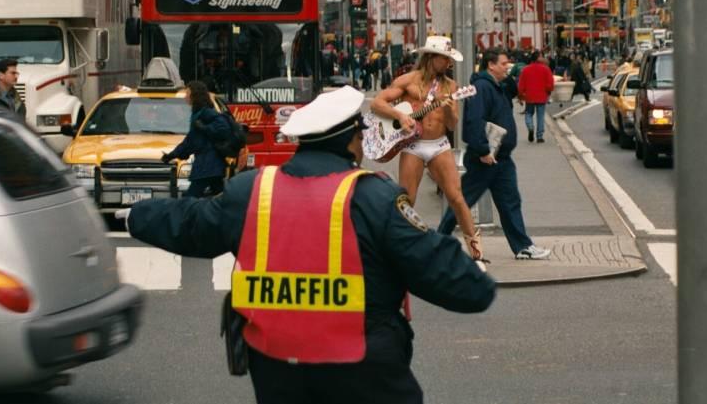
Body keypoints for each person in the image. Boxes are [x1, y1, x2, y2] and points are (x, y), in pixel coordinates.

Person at [121, 86, 495, 403]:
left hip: (275, 370)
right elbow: (459, 284)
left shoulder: (253, 191)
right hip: (365, 372)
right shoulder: (372, 197)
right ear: (352, 138)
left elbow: (188, 224)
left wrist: (134, 214)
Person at [370, 36, 483, 260]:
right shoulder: (408, 80)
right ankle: (399, 248)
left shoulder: (451, 86)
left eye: (450, 60)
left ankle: (476, 251)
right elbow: (377, 103)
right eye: (445, 59)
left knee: (456, 197)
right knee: (406, 201)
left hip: (439, 145)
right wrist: (400, 116)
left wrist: (450, 110)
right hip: (412, 144)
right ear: (431, 57)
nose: (449, 64)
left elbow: (452, 124)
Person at [438, 48, 551, 260]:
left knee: (510, 201)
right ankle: (437, 240)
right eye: (503, 64)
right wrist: (482, 149)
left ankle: (522, 246)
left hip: (501, 157)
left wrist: (508, 81)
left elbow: (514, 92)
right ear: (490, 65)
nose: (507, 67)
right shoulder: (481, 87)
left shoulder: (498, 86)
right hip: (485, 158)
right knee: (462, 202)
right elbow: (474, 119)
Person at [162, 80, 231, 198]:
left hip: (207, 165)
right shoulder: (198, 114)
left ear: (195, 95)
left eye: (187, 93)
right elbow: (190, 141)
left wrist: (205, 128)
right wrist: (172, 155)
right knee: (220, 198)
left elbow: (224, 127)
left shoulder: (206, 113)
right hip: (211, 165)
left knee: (190, 198)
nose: (185, 96)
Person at [517, 51, 554, 143]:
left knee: (528, 113)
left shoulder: (525, 70)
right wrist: (548, 91)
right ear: (538, 58)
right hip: (542, 95)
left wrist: (520, 96)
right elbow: (550, 83)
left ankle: (530, 127)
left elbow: (521, 85)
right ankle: (539, 136)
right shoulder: (546, 69)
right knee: (540, 116)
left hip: (529, 96)